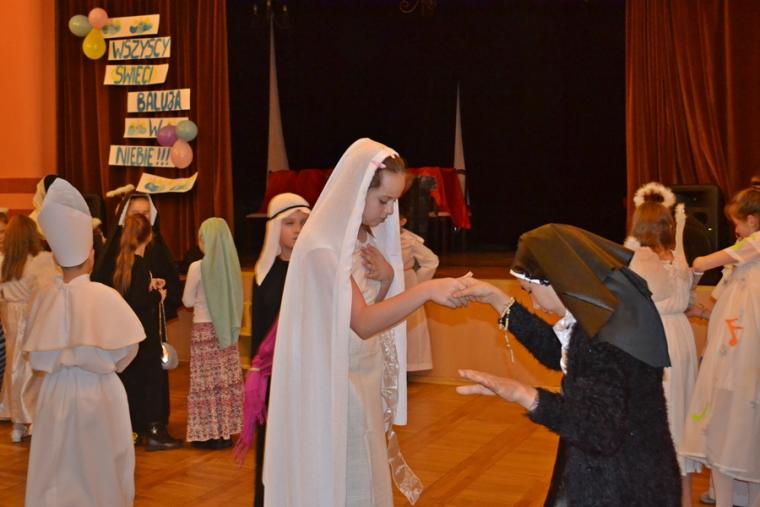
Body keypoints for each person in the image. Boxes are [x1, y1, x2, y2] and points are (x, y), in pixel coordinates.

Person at [263, 138, 467, 507]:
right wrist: (425, 290)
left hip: (363, 375)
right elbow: (361, 321)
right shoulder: (323, 247)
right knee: (351, 481)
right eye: (384, 201)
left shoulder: (358, 240)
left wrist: (386, 279)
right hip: (338, 382)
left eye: (394, 202)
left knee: (366, 477)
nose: (390, 212)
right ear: (359, 191)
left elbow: (366, 307)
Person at [454, 223, 681, 506]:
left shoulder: (602, 337)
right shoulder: (608, 314)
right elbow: (561, 353)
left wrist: (525, 395)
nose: (535, 304)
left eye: (529, 291)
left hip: (622, 486)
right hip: (639, 472)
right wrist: (497, 301)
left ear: (554, 279)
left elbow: (599, 430)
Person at [23, 178, 145, 507]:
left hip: (55, 392)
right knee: (102, 465)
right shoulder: (105, 296)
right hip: (100, 392)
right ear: (91, 256)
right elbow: (128, 351)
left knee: (56, 464)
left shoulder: (44, 299)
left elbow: (36, 357)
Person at [680, 186, 760, 507]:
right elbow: (728, 312)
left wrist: (692, 267)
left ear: (753, 221)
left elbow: (704, 260)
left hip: (745, 357)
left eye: (737, 223)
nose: (735, 230)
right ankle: (728, 495)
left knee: (741, 424)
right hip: (730, 355)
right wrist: (700, 312)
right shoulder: (745, 260)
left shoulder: (755, 244)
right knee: (726, 422)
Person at [624, 182, 702, 506]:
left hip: (655, 338)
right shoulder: (675, 256)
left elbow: (629, 303)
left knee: (660, 414)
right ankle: (683, 498)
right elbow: (686, 299)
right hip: (680, 337)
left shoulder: (640, 259)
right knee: (679, 415)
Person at [236, 192, 310, 506]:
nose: (297, 229)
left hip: (305, 374)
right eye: (290, 223)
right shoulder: (264, 273)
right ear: (275, 227)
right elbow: (262, 332)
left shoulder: (313, 271)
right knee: (271, 449)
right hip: (273, 377)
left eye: (303, 222)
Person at [93, 192, 181, 430]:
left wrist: (156, 286)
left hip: (150, 328)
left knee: (151, 378)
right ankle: (135, 426)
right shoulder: (115, 250)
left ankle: (152, 424)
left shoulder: (157, 247)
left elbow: (171, 284)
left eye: (145, 213)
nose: (141, 217)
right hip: (126, 331)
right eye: (135, 213)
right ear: (124, 216)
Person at [110, 213, 182, 450]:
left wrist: (151, 285)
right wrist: (158, 295)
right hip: (145, 336)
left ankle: (137, 429)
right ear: (148, 236)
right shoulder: (139, 265)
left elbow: (131, 296)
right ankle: (154, 431)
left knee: (135, 384)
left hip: (130, 336)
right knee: (151, 384)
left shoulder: (125, 264)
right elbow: (141, 301)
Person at [182, 217, 244, 450]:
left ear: (204, 240)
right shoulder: (232, 266)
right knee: (224, 383)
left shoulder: (197, 267)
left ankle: (209, 434)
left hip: (204, 331)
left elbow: (187, 301)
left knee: (206, 383)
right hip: (226, 331)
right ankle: (224, 432)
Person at [0, 214, 58, 441]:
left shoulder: (5, 263)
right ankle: (34, 418)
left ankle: (18, 424)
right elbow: (46, 291)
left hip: (10, 320)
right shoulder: (41, 260)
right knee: (34, 370)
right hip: (33, 317)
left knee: (13, 370)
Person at [400, 215, 439, 371]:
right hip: (384, 286)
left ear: (403, 221)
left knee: (409, 326)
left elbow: (431, 261)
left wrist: (418, 283)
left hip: (406, 283)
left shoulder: (409, 240)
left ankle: (406, 367)